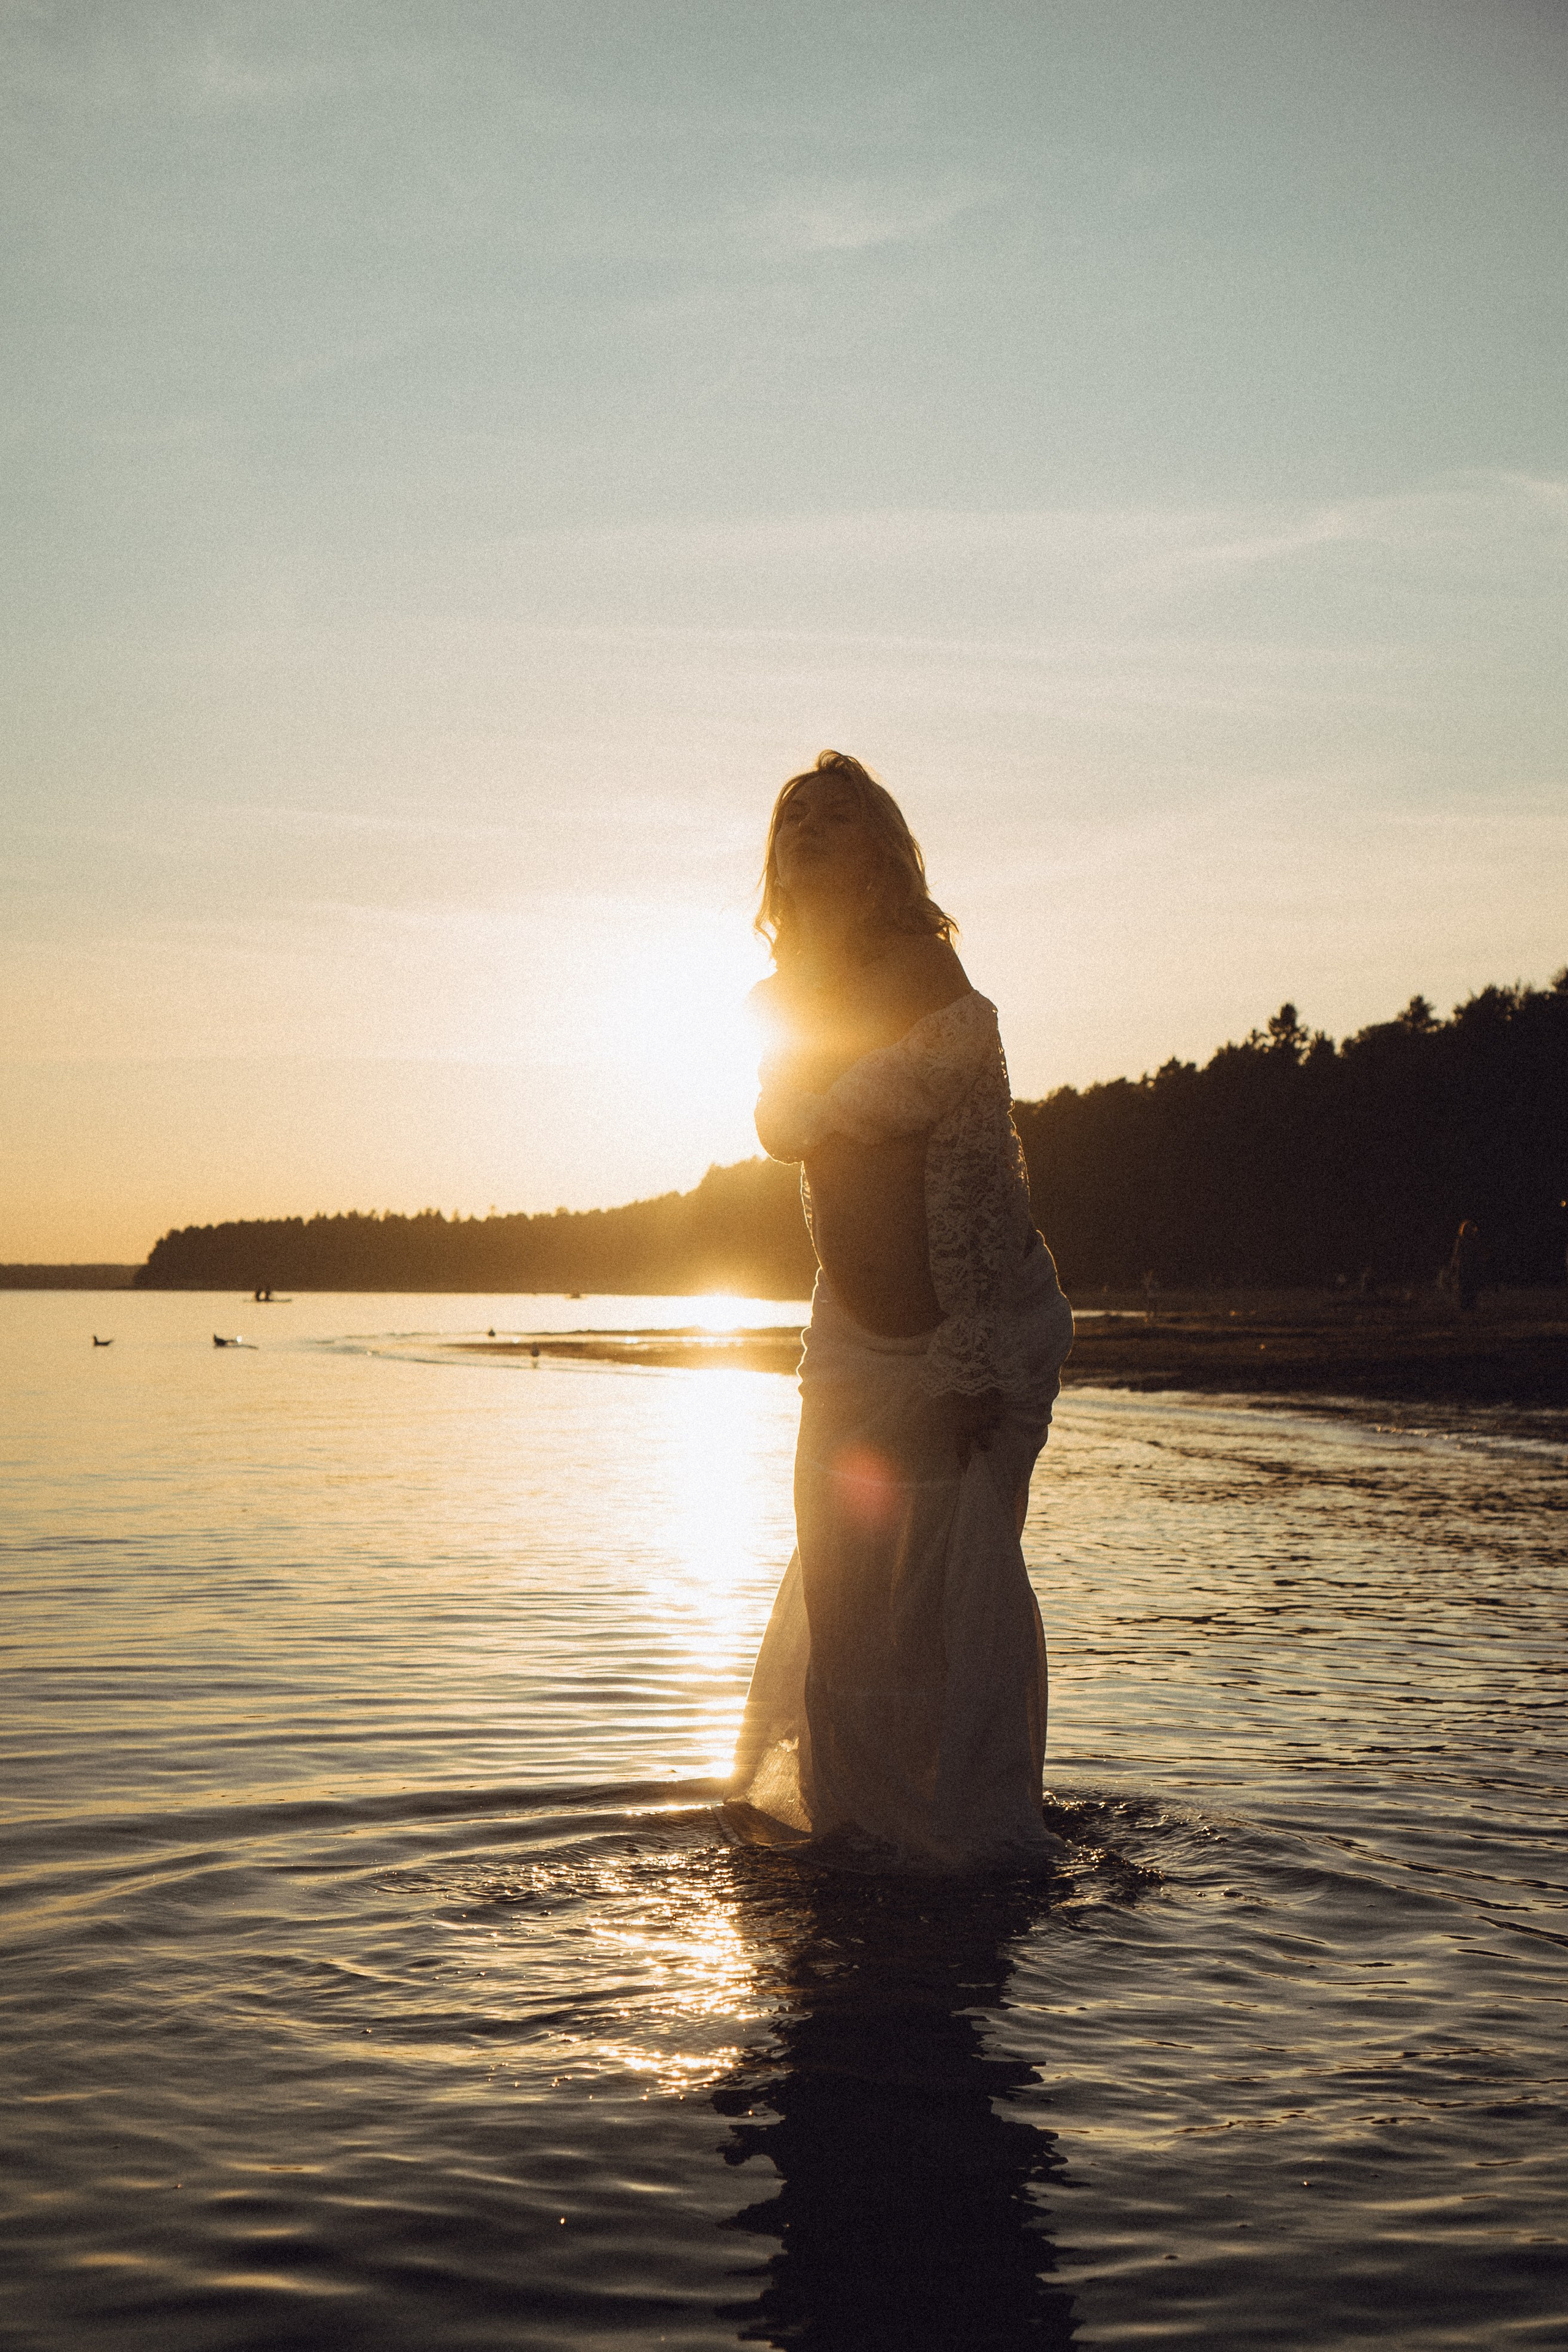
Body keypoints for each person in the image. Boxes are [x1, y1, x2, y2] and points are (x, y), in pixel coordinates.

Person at [724, 751, 1076, 1870]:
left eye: (838, 813)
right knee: (845, 1591)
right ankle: (857, 1827)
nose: (811, 826)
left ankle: (971, 1844)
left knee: (951, 1592)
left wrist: (968, 1355)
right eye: (794, 816)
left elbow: (976, 1168)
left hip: (976, 1324)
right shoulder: (776, 1001)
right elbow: (809, 1149)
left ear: (882, 847)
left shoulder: (923, 967)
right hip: (849, 1342)